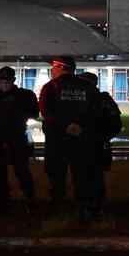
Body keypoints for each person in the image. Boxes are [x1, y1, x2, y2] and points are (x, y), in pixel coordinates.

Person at [38, 55, 100, 220]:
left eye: (53, 67)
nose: (52, 70)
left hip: (56, 140)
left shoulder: (50, 87)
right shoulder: (87, 86)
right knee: (81, 176)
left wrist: (65, 126)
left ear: (60, 67)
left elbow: (46, 112)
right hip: (81, 139)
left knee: (56, 176)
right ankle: (83, 211)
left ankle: (57, 211)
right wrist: (79, 126)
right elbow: (95, 110)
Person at [0, 66, 39, 213]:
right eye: (2, 80)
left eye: (6, 81)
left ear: (13, 80)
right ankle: (14, 202)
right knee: (5, 173)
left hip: (9, 138)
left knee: (17, 172)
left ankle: (16, 202)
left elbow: (34, 113)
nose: (4, 83)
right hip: (9, 138)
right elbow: (34, 113)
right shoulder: (24, 95)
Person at [78, 71, 122, 218]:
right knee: (88, 178)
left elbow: (115, 124)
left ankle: (95, 208)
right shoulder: (87, 99)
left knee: (94, 178)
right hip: (89, 145)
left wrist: (102, 138)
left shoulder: (102, 100)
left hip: (96, 145)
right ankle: (90, 208)